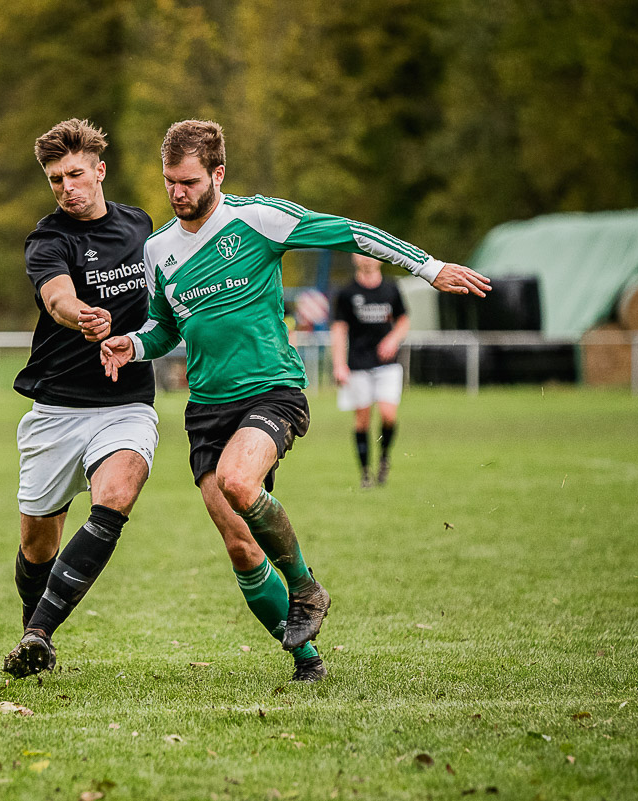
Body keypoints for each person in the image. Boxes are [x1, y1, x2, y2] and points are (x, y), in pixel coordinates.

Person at [101, 120, 490, 682]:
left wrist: (427, 268)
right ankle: (307, 661)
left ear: (218, 173)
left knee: (239, 482)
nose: (177, 193)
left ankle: (305, 583)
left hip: (272, 391)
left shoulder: (258, 219)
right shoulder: (159, 250)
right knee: (238, 546)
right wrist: (131, 345)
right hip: (206, 408)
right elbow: (164, 329)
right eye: (169, 182)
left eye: (187, 181)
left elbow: (350, 232)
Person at [1, 118, 158, 679]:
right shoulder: (49, 239)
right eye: (54, 179)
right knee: (38, 545)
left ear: (100, 170)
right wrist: (81, 316)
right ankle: (30, 623)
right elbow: (56, 298)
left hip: (127, 401)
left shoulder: (140, 226)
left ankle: (41, 632)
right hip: (56, 409)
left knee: (116, 494)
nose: (66, 187)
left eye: (74, 174)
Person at [332, 253, 411, 488]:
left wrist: (393, 339)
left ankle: (385, 457)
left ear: (380, 259)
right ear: (354, 259)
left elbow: (403, 320)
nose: (366, 259)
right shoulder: (347, 293)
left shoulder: (391, 288)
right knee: (362, 420)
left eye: (371, 255)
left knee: (388, 414)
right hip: (358, 364)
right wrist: (339, 364)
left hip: (387, 365)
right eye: (360, 254)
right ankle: (366, 472)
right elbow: (339, 330)